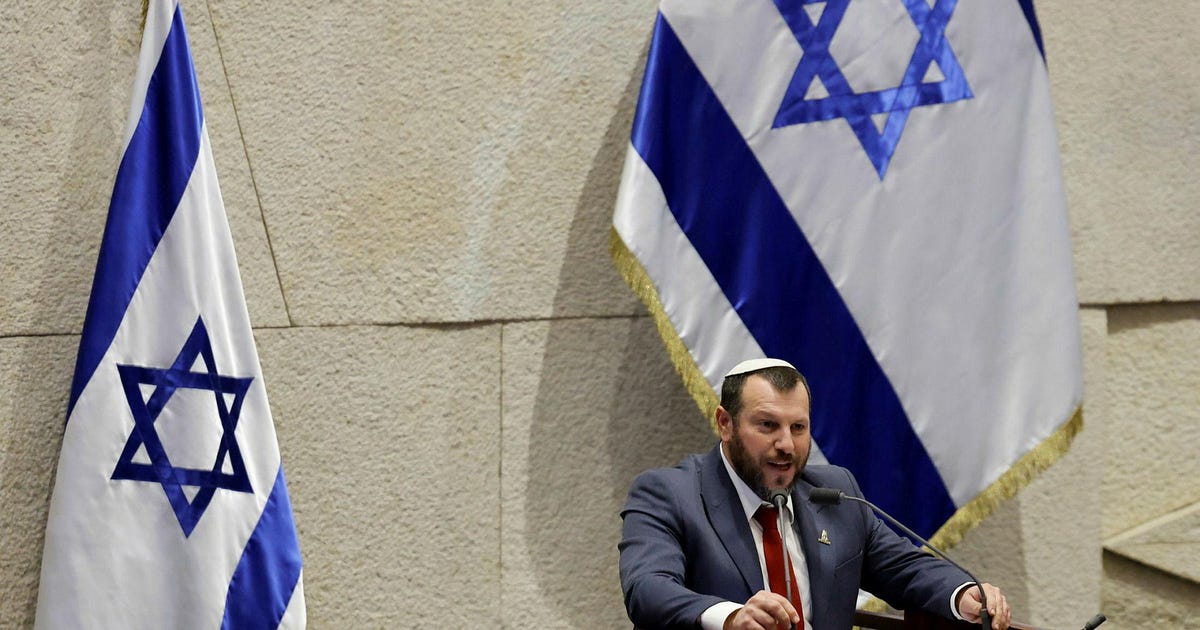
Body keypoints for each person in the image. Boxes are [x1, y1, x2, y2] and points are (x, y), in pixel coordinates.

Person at [618, 358, 1011, 630]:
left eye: (798, 428)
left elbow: (905, 569)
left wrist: (962, 593)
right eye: (767, 425)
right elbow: (648, 590)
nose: (786, 445)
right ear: (725, 423)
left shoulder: (834, 492)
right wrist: (730, 617)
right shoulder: (669, 494)